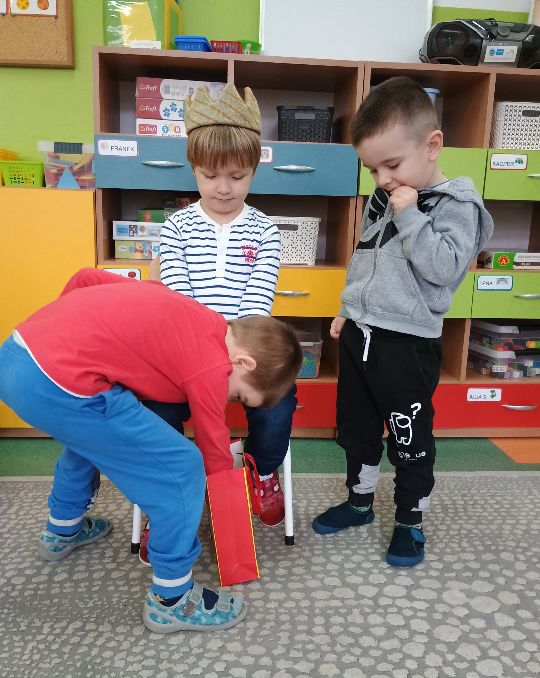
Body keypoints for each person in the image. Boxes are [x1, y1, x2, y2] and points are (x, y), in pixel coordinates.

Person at [0, 268, 302, 633]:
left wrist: (69, 333)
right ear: (243, 363)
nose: (230, 399)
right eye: (239, 395)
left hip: (18, 354)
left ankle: (61, 531)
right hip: (62, 381)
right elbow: (212, 446)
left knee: (89, 442)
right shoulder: (214, 364)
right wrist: (226, 502)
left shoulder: (192, 312)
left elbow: (85, 279)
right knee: (183, 466)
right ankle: (172, 599)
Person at [312, 77, 493, 567]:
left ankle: (410, 520)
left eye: (392, 165)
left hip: (407, 341)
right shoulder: (385, 195)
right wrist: (347, 307)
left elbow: (443, 268)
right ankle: (359, 502)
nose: (381, 179)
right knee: (356, 426)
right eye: (372, 168)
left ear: (432, 145)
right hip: (360, 331)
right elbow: (365, 256)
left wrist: (411, 215)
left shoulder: (458, 206)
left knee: (410, 437)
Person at [143, 82, 295, 547]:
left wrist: (229, 358)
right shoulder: (176, 226)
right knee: (154, 409)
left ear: (254, 171)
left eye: (237, 176)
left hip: (243, 352)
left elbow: (257, 305)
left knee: (280, 400)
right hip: (184, 356)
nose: (224, 187)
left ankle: (261, 471)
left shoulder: (265, 230)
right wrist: (204, 358)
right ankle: (167, 495)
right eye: (210, 175)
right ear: (194, 169)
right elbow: (178, 302)